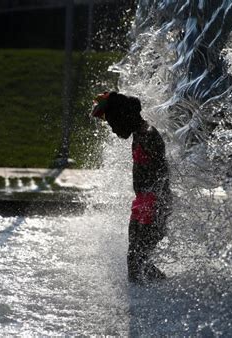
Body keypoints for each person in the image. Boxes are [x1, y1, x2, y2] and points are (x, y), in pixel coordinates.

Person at [91, 91, 172, 283]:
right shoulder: (139, 133)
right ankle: (159, 291)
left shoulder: (148, 135)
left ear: (124, 116)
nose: (112, 130)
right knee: (138, 261)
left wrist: (155, 210)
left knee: (136, 261)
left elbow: (163, 174)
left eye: (113, 123)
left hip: (153, 205)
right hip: (143, 203)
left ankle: (142, 304)